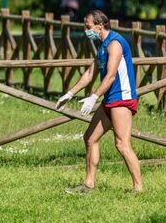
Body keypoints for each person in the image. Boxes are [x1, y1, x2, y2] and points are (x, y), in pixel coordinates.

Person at [55, 10, 143, 194]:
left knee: (122, 144)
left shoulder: (115, 44)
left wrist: (94, 97)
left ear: (100, 25)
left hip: (122, 99)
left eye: (88, 26)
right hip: (110, 100)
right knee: (90, 138)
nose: (86, 30)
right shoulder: (103, 46)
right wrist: (69, 94)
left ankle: (138, 188)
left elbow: (110, 76)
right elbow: (89, 73)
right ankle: (88, 185)